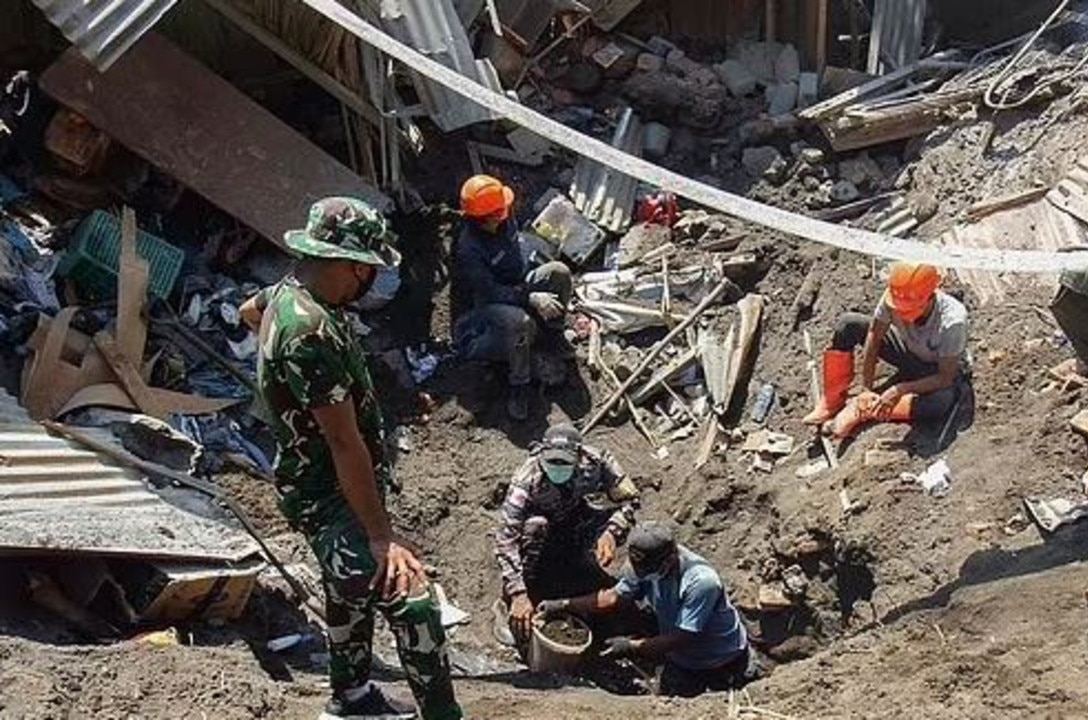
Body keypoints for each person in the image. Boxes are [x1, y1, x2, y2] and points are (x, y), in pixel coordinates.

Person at [252, 197, 462, 720]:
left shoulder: (285, 296)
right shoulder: (310, 334)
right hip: (327, 492)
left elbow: (246, 312)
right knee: (409, 597)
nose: (370, 281)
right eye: (367, 270)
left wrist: (278, 394)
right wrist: (380, 535)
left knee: (349, 590)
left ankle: (351, 699)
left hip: (310, 477)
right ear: (347, 265)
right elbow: (345, 444)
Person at [541, 523, 757, 697]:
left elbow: (683, 636)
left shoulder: (701, 582)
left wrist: (630, 646)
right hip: (681, 658)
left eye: (647, 571)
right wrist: (563, 604)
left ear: (670, 559)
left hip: (721, 658)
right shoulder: (645, 565)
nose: (642, 575)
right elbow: (613, 598)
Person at [494, 423, 639, 644]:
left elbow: (630, 499)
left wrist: (611, 532)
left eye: (565, 462)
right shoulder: (526, 479)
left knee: (609, 517)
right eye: (552, 461)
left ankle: (577, 565)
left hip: (575, 517)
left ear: (578, 456)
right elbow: (506, 538)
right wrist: (517, 593)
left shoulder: (598, 462)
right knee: (535, 526)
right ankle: (508, 602)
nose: (557, 467)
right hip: (539, 528)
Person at [451, 174, 574, 421]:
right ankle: (519, 383)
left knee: (558, 273)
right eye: (501, 209)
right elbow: (489, 292)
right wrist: (530, 298)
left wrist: (534, 269)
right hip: (480, 315)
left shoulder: (504, 220)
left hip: (514, 287)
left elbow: (516, 253)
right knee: (519, 322)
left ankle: (553, 335)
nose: (507, 211)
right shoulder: (468, 249)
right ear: (486, 217)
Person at [802, 261, 970, 438]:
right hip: (908, 351)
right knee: (849, 324)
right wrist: (866, 388)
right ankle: (832, 401)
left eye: (908, 310)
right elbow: (874, 337)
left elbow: (945, 378)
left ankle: (867, 410)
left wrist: (899, 390)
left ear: (929, 297)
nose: (901, 314)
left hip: (936, 369)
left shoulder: (952, 321)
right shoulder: (896, 295)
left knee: (939, 402)